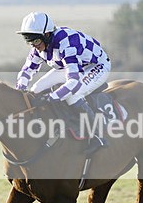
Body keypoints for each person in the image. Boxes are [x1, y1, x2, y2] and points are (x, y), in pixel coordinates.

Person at [15, 11, 111, 149]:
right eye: (29, 42)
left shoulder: (66, 43)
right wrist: (20, 92)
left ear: (47, 35)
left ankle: (98, 135)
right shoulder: (38, 45)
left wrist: (51, 97)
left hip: (96, 66)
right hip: (69, 66)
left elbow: (73, 82)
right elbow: (27, 71)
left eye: (35, 41)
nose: (34, 45)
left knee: (72, 95)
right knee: (35, 90)